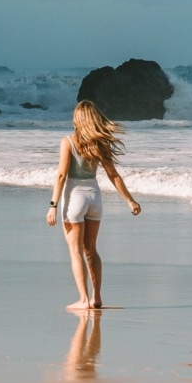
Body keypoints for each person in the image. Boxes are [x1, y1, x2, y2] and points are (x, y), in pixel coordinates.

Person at [46, 100, 141, 310]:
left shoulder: (68, 142)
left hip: (75, 198)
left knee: (75, 251)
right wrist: (129, 200)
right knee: (91, 250)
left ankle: (83, 299)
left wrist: (53, 205)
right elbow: (113, 175)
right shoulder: (100, 144)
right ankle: (96, 298)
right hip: (95, 198)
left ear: (77, 119)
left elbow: (61, 175)